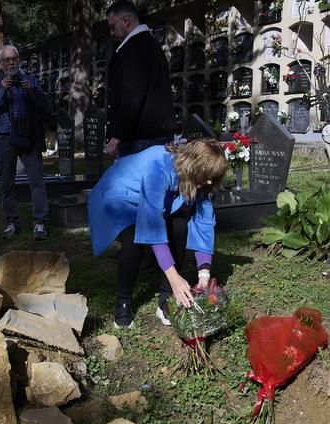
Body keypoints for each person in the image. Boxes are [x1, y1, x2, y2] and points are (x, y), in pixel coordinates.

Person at [88, 138, 228, 328]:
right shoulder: (158, 165)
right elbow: (151, 222)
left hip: (155, 200)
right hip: (121, 194)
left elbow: (204, 222)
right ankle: (123, 302)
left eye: (214, 176)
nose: (210, 180)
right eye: (207, 174)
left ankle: (165, 300)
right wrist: (174, 276)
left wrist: (204, 275)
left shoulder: (203, 180)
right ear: (193, 165)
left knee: (179, 226)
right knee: (132, 239)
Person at [0, 44, 52, 240]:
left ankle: (40, 222)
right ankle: (12, 222)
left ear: (19, 60)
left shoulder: (30, 80)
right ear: (0, 64)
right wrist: (4, 90)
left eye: (13, 59)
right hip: (5, 136)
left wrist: (32, 90)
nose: (11, 63)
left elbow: (44, 105)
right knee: (6, 182)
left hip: (29, 135)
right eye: (6, 60)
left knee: (37, 180)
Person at [105, 1, 175, 158]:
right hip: (152, 135)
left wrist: (118, 135)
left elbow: (132, 95)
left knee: (135, 182)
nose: (111, 32)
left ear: (126, 21)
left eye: (112, 26)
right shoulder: (150, 44)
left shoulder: (135, 48)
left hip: (140, 138)